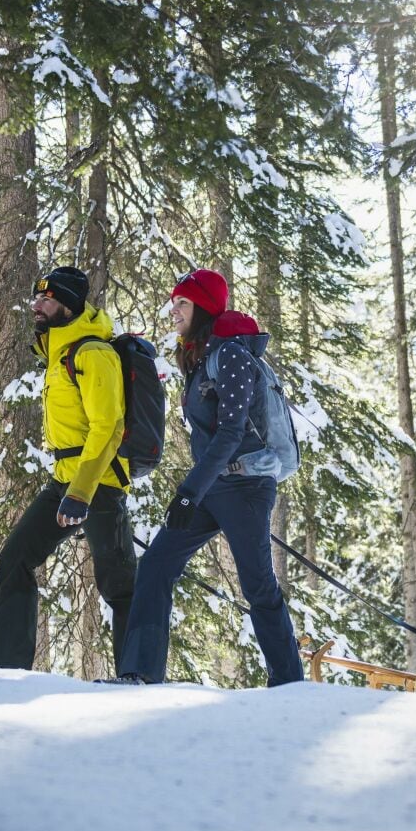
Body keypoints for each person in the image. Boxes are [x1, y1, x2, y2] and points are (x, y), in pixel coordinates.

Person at [115, 268, 304, 686]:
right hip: (212, 487)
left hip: (245, 488)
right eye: (174, 302)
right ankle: (140, 673)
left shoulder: (232, 354)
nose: (174, 310)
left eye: (182, 302)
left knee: (258, 588)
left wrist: (187, 493)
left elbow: (231, 431)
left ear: (204, 305)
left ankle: (290, 685)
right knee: (156, 566)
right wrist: (195, 492)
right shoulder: (202, 357)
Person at [0, 266, 137, 673]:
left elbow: (110, 428)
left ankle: (138, 675)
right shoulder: (60, 353)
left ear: (67, 305)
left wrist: (82, 492)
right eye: (37, 297)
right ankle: (7, 668)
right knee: (15, 558)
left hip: (98, 482)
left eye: (46, 299)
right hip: (66, 480)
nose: (36, 305)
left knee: (119, 585)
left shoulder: (93, 353)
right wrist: (70, 487)